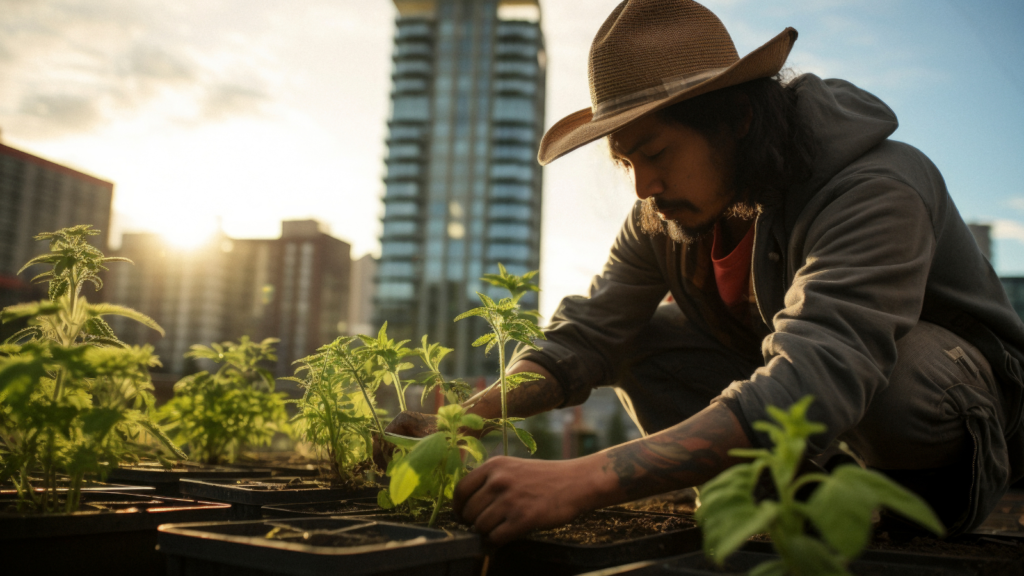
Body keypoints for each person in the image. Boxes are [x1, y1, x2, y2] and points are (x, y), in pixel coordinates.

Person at [382, 0, 1024, 544]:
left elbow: (818, 373)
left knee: (903, 371)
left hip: (952, 440)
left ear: (738, 119)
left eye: (657, 152)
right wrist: (462, 418)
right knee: (639, 335)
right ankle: (779, 506)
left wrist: (584, 479)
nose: (644, 187)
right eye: (627, 161)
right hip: (808, 441)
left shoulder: (871, 187)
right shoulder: (668, 217)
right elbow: (584, 336)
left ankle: (889, 518)